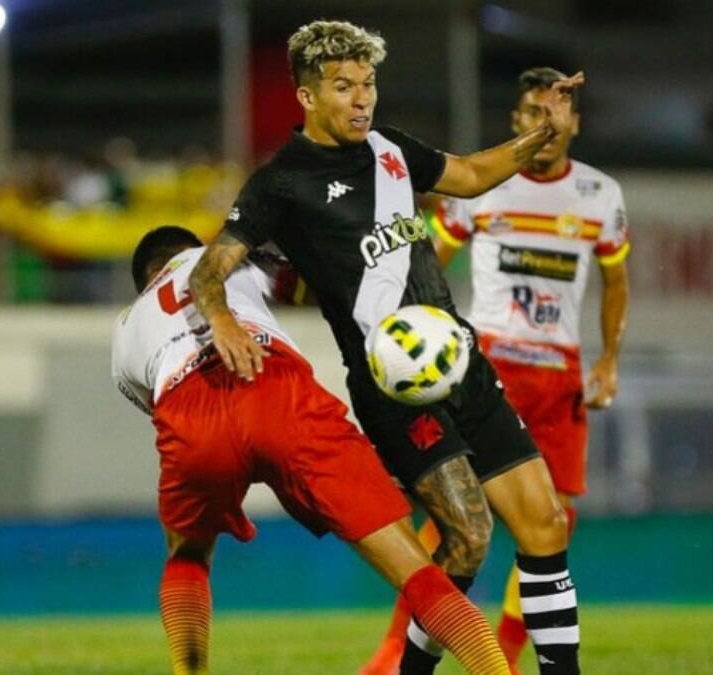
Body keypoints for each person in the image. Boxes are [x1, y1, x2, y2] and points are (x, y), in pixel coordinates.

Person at [189, 20, 584, 675]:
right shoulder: (281, 183)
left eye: (368, 84)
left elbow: (470, 173)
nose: (361, 98)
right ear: (308, 97)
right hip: (393, 386)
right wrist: (222, 319)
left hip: (460, 359)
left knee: (544, 522)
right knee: (469, 536)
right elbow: (211, 269)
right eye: (344, 87)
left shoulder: (390, 149)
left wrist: (541, 134)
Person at [112, 226, 512, 675]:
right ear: (197, 252)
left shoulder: (125, 327)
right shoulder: (229, 260)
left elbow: (159, 410)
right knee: (415, 572)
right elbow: (315, 286)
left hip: (189, 407)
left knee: (187, 556)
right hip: (274, 386)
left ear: (143, 281)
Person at [370, 66, 632, 673]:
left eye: (555, 112)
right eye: (532, 113)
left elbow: (616, 282)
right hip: (486, 368)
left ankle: (508, 655)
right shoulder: (482, 186)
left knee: (551, 521)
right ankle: (393, 652)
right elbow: (427, 258)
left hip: (558, 372)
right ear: (515, 124)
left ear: (574, 123)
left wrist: (610, 360)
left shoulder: (600, 194)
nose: (545, 121)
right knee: (452, 514)